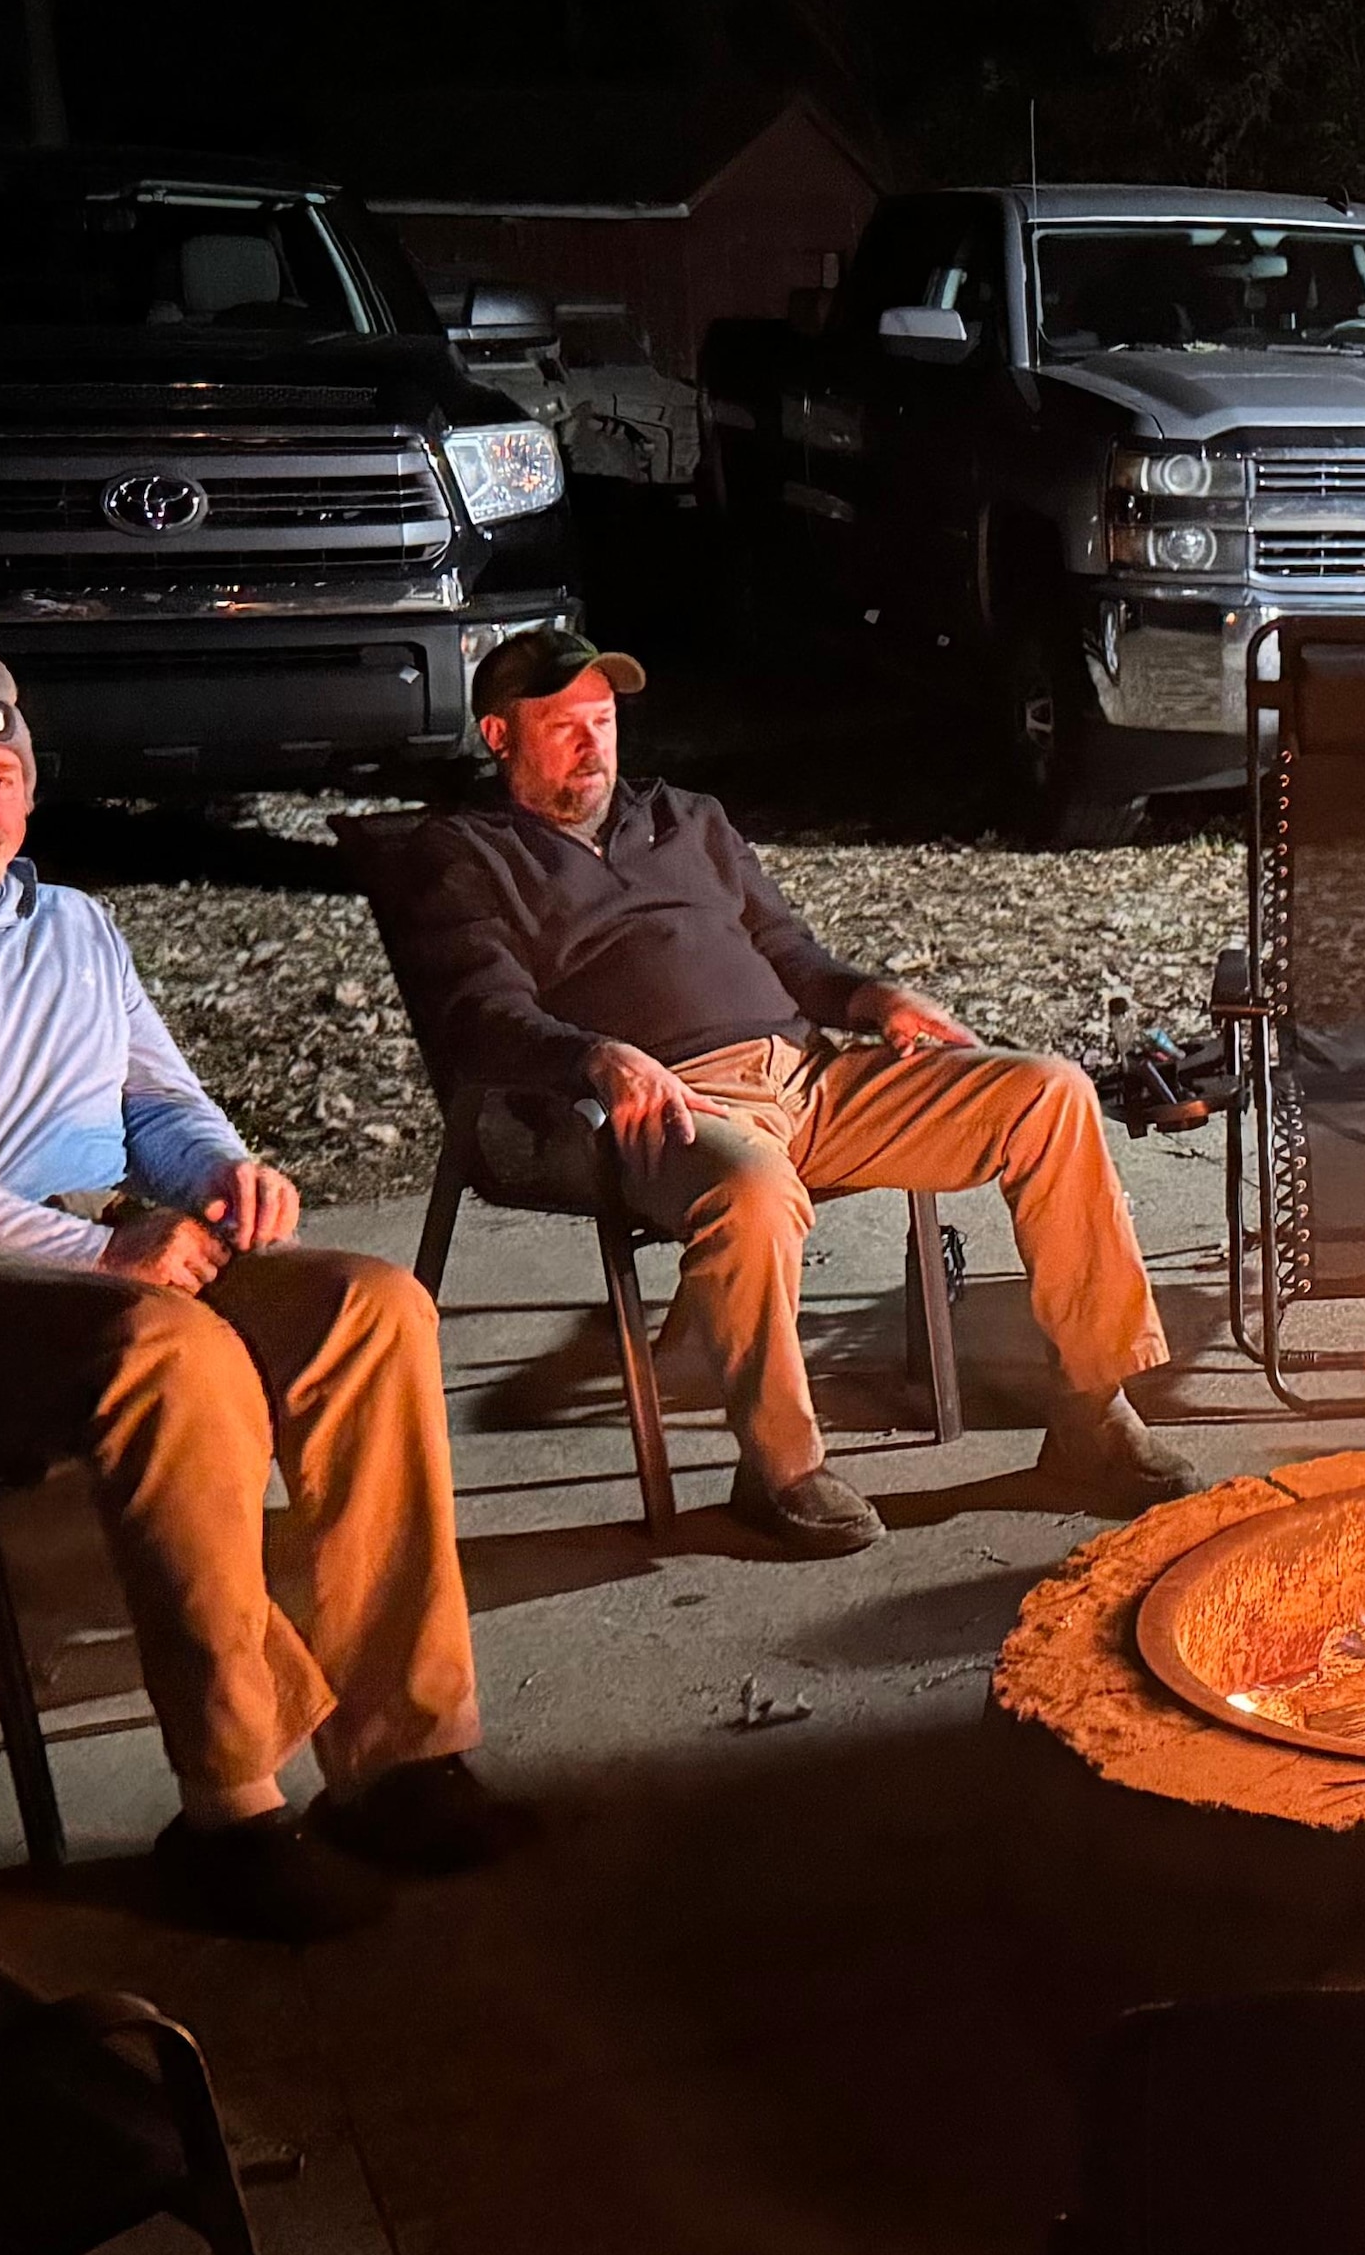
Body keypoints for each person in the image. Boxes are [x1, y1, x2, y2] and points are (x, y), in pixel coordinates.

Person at [0, 639, 514, 1944]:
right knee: (183, 1354)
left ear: (30, 794)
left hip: (121, 1241)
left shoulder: (73, 925)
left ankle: (404, 1757)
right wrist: (95, 1255)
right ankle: (231, 1805)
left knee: (372, 1306)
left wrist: (225, 1171)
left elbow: (154, 1099)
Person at [365, 626, 1194, 1557]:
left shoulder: (686, 820)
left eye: (602, 720)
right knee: (753, 1190)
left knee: (1050, 1092)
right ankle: (780, 1467)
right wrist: (596, 1055)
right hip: (662, 1107)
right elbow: (481, 1014)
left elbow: (790, 954)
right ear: (499, 736)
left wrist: (870, 998)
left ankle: (1092, 1409)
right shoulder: (468, 855)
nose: (593, 745)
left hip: (811, 1073)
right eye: (563, 726)